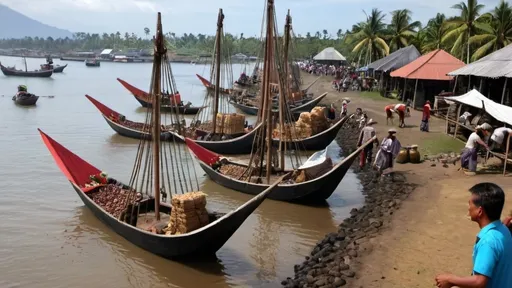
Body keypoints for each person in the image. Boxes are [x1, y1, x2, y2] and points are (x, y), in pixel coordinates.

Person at [435, 183, 512, 288]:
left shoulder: (488, 242)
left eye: (470, 204)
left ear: (480, 211)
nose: (468, 208)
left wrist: (450, 279)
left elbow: (479, 282)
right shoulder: (503, 230)